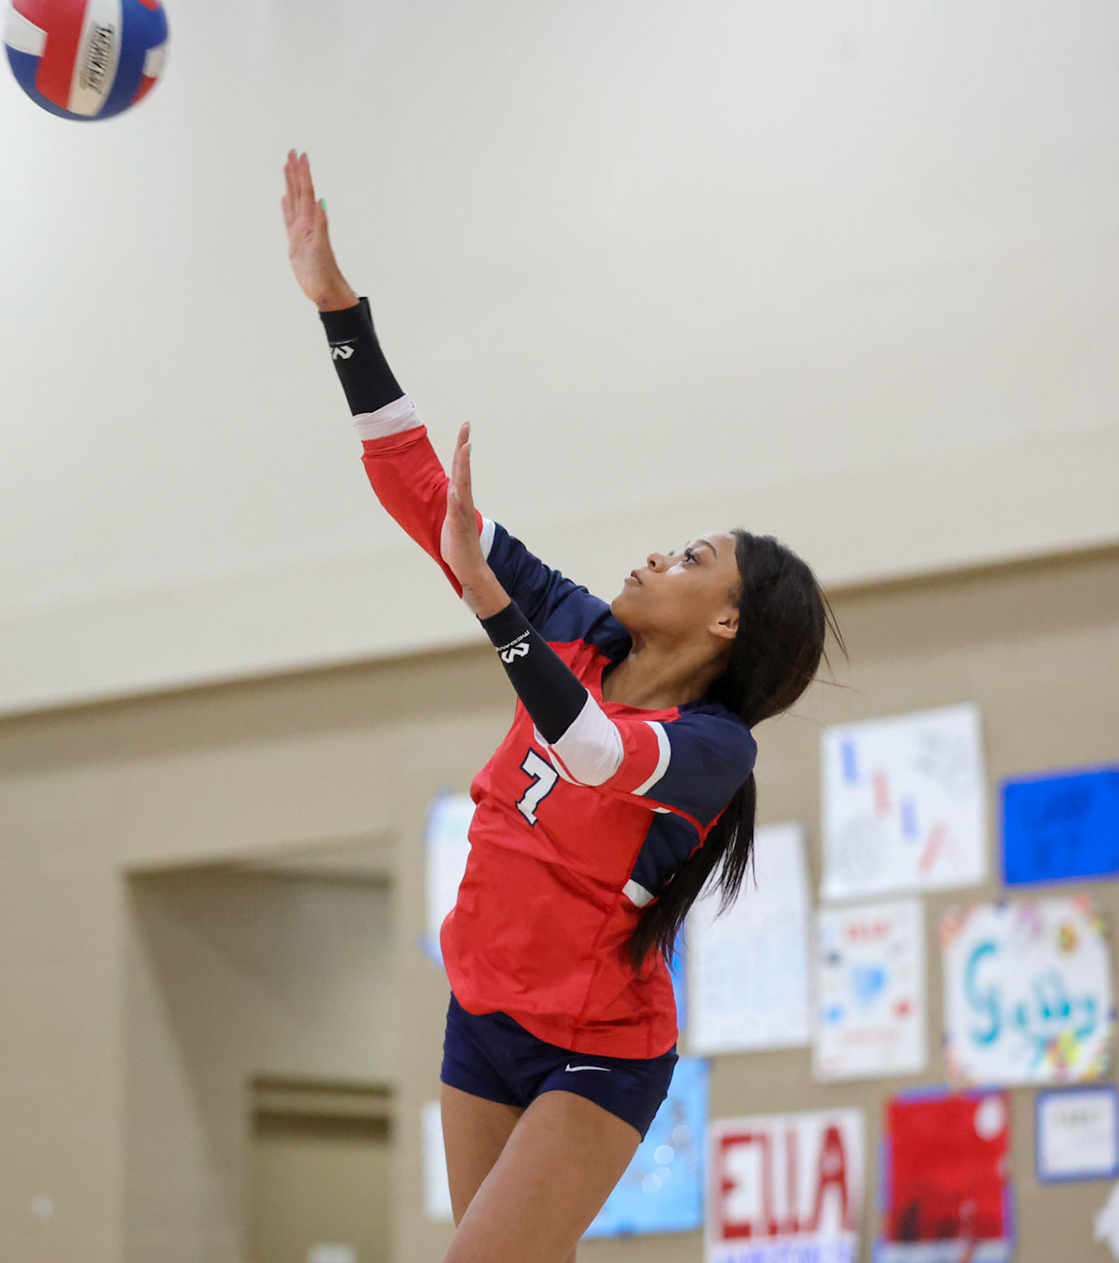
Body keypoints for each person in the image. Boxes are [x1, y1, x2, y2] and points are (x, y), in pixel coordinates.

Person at [281, 150, 841, 1263]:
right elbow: (421, 492)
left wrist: (494, 609)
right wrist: (341, 312)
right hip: (480, 1012)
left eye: (692, 556)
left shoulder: (711, 748)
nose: (656, 552)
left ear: (728, 623)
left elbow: (588, 750)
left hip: (597, 1050)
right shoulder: (577, 623)